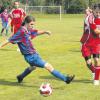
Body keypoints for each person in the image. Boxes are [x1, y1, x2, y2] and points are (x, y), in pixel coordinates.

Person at [0, 16, 75, 84]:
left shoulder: (28, 30)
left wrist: (45, 31)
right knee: (48, 66)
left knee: (33, 67)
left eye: (33, 24)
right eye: (31, 24)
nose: (33, 26)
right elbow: (8, 40)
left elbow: (36, 32)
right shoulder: (21, 32)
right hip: (31, 57)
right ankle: (66, 79)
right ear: (26, 23)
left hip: (34, 54)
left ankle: (20, 77)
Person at [80, 5, 100, 85]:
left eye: (99, 12)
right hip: (86, 43)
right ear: (93, 11)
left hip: (96, 43)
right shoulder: (90, 18)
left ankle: (96, 80)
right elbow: (96, 31)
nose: (98, 14)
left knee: (97, 60)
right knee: (88, 62)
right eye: (97, 12)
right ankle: (94, 71)